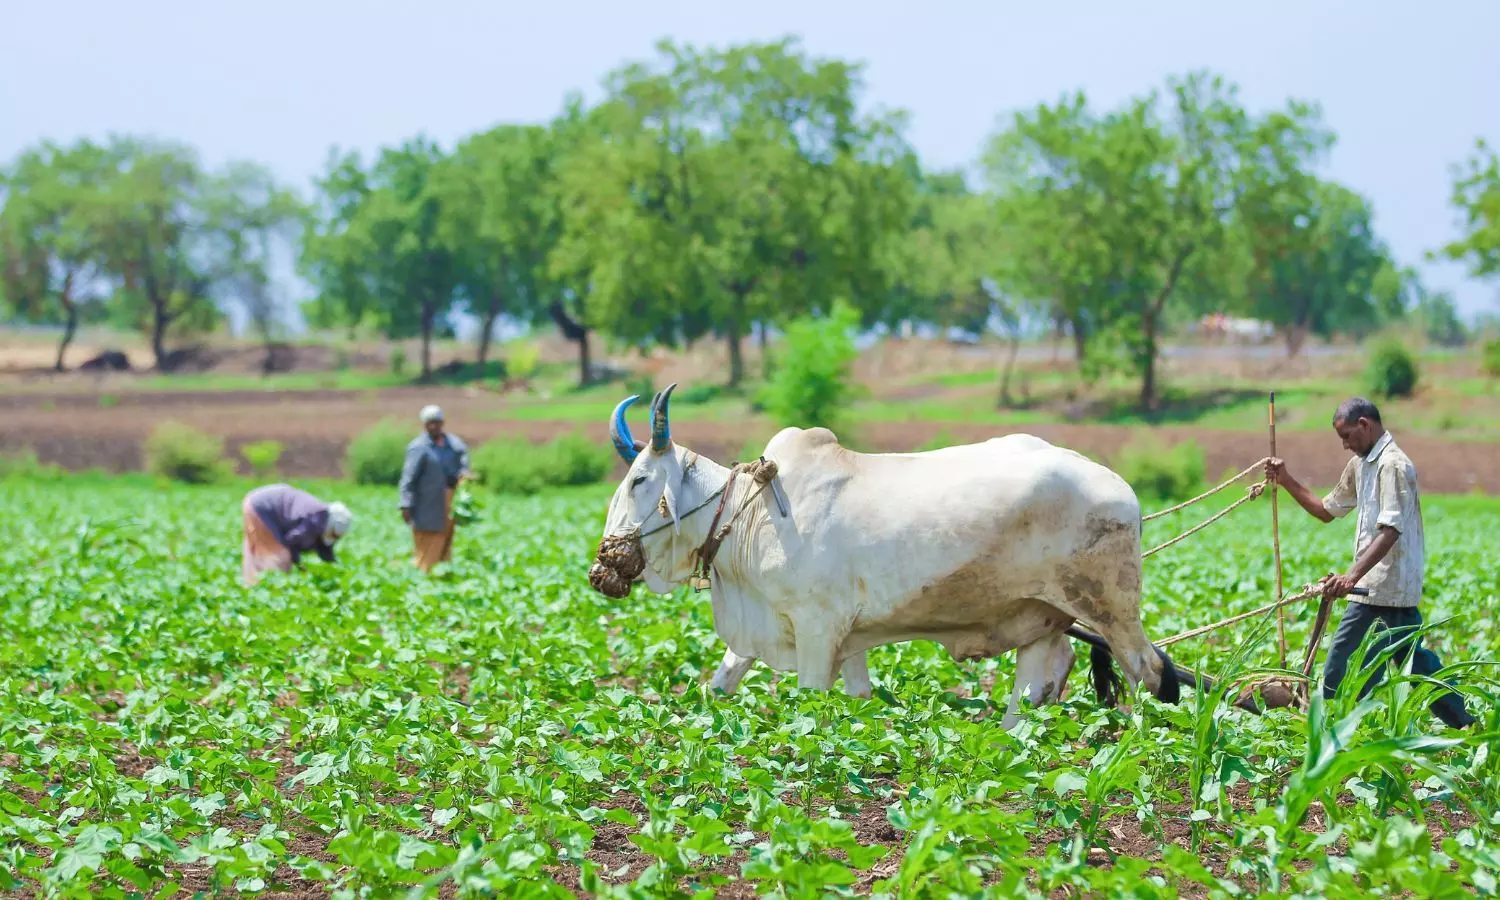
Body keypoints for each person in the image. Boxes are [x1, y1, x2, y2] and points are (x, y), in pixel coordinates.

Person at [1266, 397, 1475, 730]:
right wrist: (1285, 478)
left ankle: (1335, 738)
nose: (1346, 446)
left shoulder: (1393, 465)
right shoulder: (1362, 464)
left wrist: (1350, 577)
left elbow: (1390, 531)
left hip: (1382, 589)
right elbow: (1325, 510)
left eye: (1348, 436)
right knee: (1415, 667)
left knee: (1340, 672)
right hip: (1380, 589)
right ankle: (1466, 724)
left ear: (1365, 424)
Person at [398, 404, 471, 572]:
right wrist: (405, 505)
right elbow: (408, 479)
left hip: (447, 501)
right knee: (427, 538)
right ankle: (423, 574)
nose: (434, 426)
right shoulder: (418, 448)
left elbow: (463, 460)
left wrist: (464, 473)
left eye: (437, 422)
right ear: (424, 425)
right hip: (426, 504)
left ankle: (442, 572)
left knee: (445, 538)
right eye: (430, 423)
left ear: (442, 423)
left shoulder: (453, 444)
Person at [241, 483, 352, 587]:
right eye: (333, 535)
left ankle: (251, 584)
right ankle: (270, 590)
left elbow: (325, 550)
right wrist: (299, 565)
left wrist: (336, 573)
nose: (333, 539)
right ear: (330, 526)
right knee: (281, 557)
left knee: (258, 552)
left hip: (256, 502)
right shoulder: (316, 519)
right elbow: (291, 541)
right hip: (261, 507)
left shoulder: (324, 519)